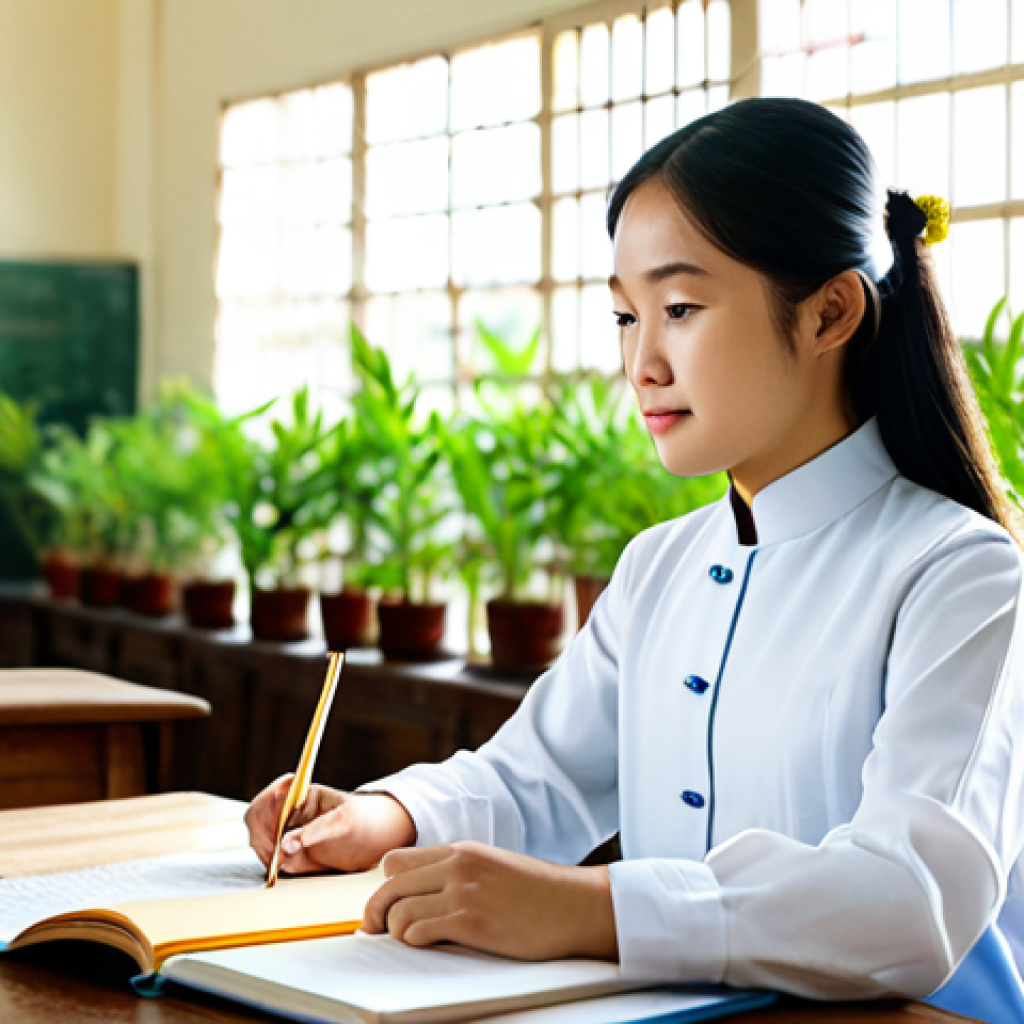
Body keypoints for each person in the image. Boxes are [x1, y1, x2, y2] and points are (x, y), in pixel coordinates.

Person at [246, 98, 1024, 1020]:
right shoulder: (658, 565)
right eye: (625, 316)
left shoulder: (962, 574)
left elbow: (909, 903)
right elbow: (535, 776)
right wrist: (374, 821)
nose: (641, 363)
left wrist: (591, 908)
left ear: (829, 314)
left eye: (681, 308)